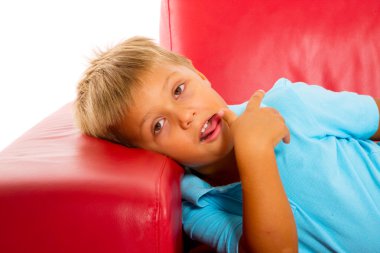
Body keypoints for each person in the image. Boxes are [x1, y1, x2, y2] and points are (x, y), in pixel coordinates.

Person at [75, 36, 380, 253]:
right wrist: (255, 155)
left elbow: (375, 118)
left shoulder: (288, 103)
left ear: (199, 75)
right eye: (158, 125)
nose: (186, 116)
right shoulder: (197, 208)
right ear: (147, 156)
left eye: (180, 90)